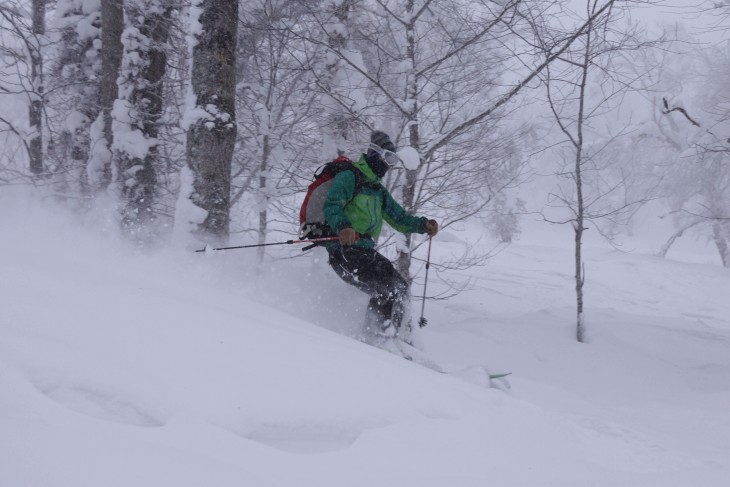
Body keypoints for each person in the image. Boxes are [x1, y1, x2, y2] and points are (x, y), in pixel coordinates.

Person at [322, 131, 438, 336]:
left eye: (393, 160)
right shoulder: (349, 177)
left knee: (400, 287)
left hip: (365, 252)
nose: (389, 165)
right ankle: (375, 340)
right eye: (389, 158)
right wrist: (343, 227)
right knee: (385, 290)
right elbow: (332, 205)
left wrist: (422, 225)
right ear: (376, 154)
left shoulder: (377, 191)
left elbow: (399, 219)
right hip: (344, 251)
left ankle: (400, 338)